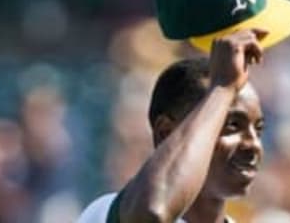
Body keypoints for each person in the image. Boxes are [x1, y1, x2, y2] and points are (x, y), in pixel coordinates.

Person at [77, 28, 268, 223]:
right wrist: (222, 88)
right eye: (232, 125)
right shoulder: (106, 211)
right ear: (165, 132)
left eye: (259, 130)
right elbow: (154, 212)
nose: (253, 144)